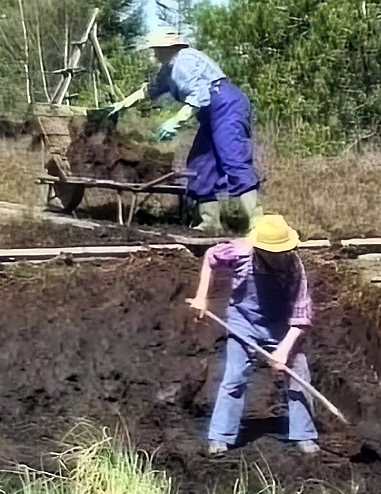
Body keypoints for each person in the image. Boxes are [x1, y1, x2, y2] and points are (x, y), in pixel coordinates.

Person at [187, 214, 320, 456]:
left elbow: (302, 315)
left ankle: (304, 434)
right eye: (274, 252)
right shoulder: (239, 252)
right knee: (235, 374)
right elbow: (211, 257)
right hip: (243, 323)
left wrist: (283, 349)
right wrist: (202, 296)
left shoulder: (293, 267)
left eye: (284, 251)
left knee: (300, 373)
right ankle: (220, 436)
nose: (280, 256)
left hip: (279, 325)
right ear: (260, 249)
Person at [111, 28, 262, 233]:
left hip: (226, 105)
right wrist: (122, 104)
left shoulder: (185, 61)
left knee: (233, 159)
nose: (153, 53)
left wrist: (176, 120)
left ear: (168, 47)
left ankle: (258, 224)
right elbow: (151, 89)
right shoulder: (169, 68)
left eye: (156, 49)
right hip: (210, 113)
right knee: (200, 164)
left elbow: (200, 95)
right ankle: (210, 223)